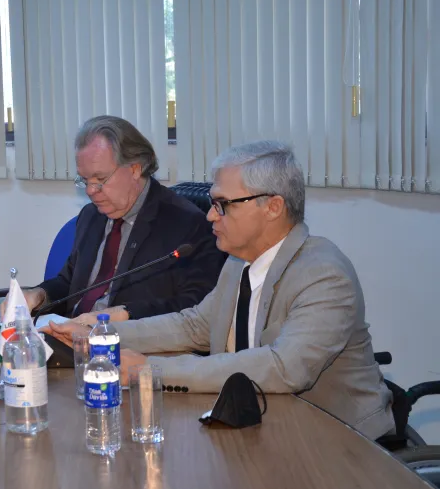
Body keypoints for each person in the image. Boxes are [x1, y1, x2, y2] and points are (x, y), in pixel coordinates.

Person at [43, 141, 394, 440]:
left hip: (340, 443)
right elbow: (194, 325)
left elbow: (284, 367)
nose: (211, 216)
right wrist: (100, 336)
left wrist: (150, 369)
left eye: (223, 204)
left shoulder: (323, 275)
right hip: (261, 427)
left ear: (273, 207)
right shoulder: (238, 262)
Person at [5, 115, 225, 323]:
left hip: (131, 343)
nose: (90, 191)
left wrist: (125, 314)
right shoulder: (91, 216)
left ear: (135, 169)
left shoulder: (188, 225)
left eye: (100, 179)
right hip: (73, 337)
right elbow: (69, 284)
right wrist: (40, 295)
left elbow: (195, 308)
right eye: (85, 180)